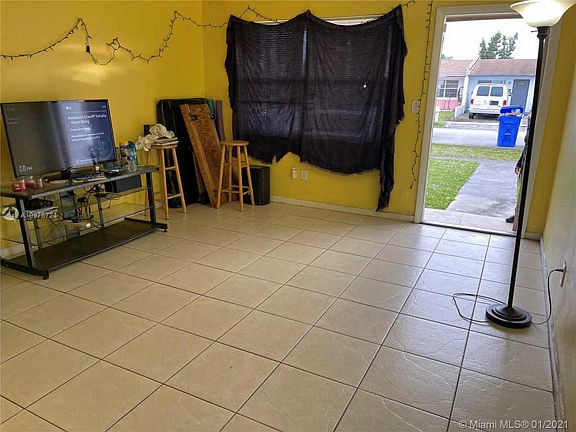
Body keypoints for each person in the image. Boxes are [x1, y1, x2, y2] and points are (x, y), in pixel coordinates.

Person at [506, 116, 530, 224]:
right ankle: (518, 214)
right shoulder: (531, 120)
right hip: (524, 162)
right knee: (521, 191)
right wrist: (520, 163)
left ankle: (521, 216)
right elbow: (527, 146)